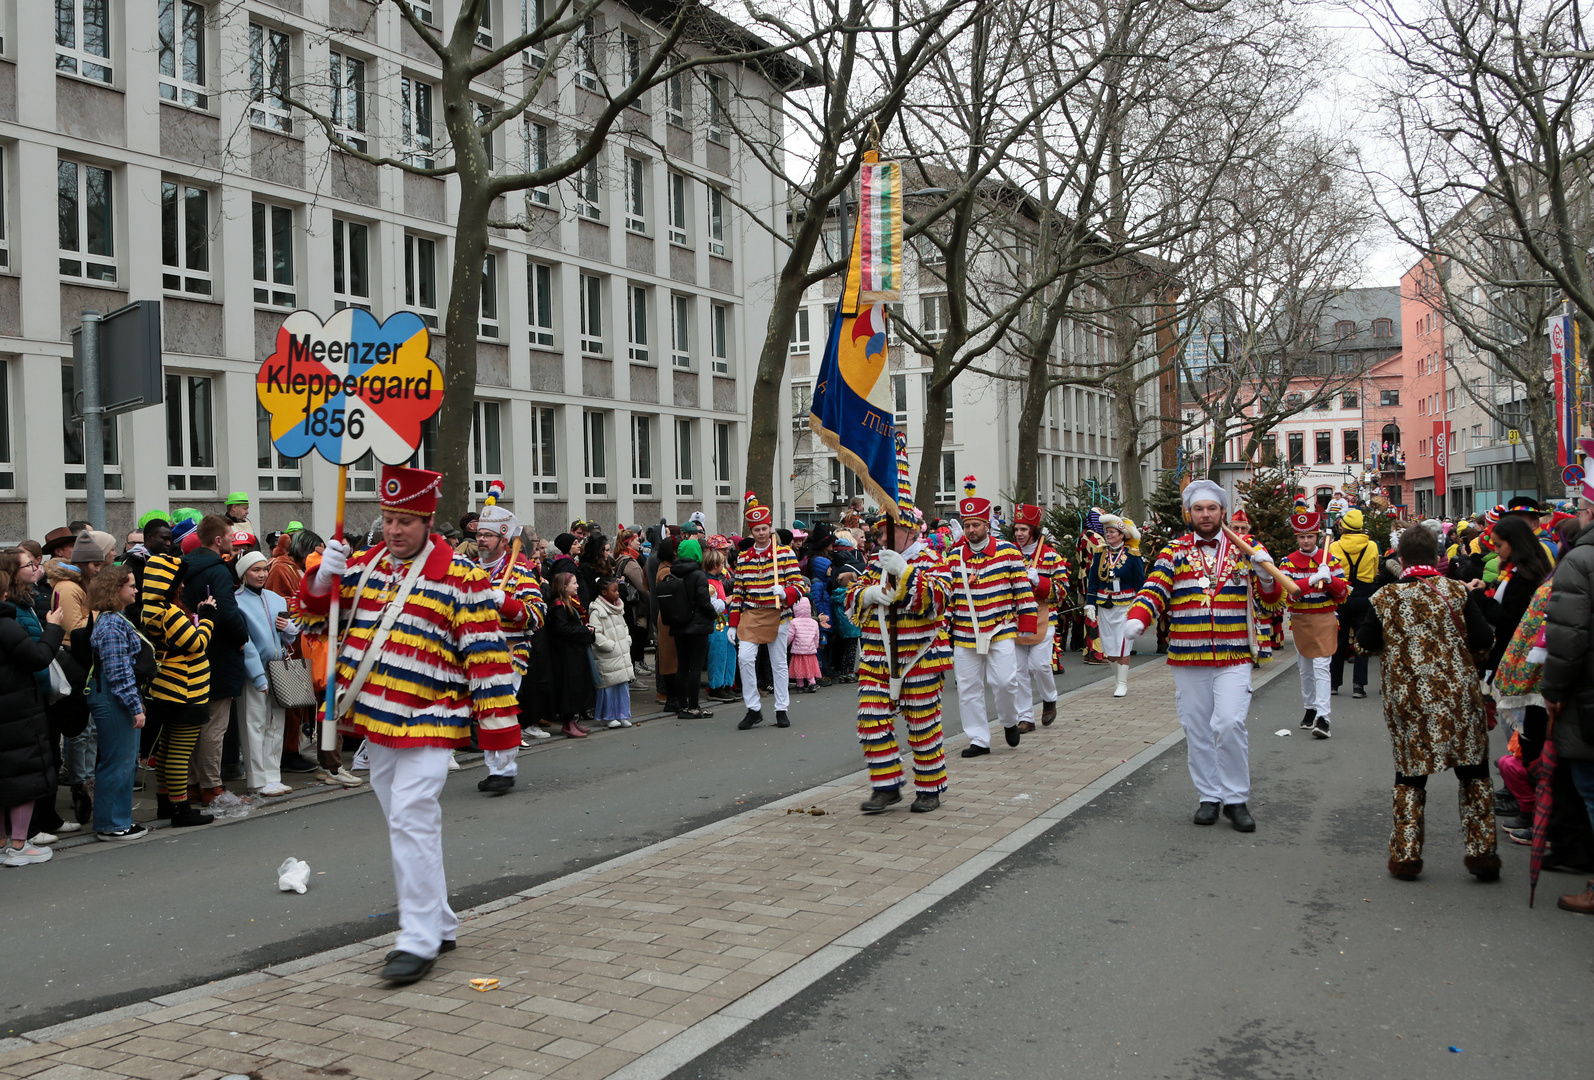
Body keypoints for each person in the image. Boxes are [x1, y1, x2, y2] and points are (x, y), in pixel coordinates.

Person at [293, 465, 520, 984]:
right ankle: (439, 920)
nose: (394, 529)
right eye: (389, 518)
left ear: (428, 520)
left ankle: (416, 938)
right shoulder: (368, 565)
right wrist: (325, 576)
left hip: (434, 716)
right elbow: (315, 612)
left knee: (411, 816)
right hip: (377, 718)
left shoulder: (460, 576)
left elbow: (486, 657)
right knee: (408, 821)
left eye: (406, 520)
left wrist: (500, 734)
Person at [1125, 480, 1284, 832]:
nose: (1206, 514)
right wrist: (1138, 617)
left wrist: (1264, 573)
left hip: (1234, 654)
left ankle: (1236, 798)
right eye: (1199, 509)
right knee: (1196, 728)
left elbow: (1272, 599)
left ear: (1223, 512)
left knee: (1229, 723)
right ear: (1189, 514)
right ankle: (1209, 796)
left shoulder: (1246, 549)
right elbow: (1154, 588)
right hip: (1188, 655)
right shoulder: (1174, 551)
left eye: (1212, 508)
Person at [1355, 525, 1499, 882]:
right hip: (1459, 698)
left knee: (1410, 777)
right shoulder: (1456, 592)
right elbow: (1484, 638)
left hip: (1409, 700)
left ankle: (1406, 856)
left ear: (1401, 559)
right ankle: (1482, 855)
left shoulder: (1385, 598)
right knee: (1473, 773)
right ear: (1437, 557)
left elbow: (1364, 644)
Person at [848, 504, 952, 814]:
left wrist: (905, 573)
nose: (880, 539)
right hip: (878, 658)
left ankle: (930, 789)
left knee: (923, 725)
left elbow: (940, 599)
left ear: (908, 532)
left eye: (885, 533)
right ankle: (886, 787)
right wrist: (866, 595)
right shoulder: (875, 563)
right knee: (870, 720)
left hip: (920, 656)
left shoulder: (932, 560)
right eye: (879, 533)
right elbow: (852, 594)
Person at [945, 477, 1037, 756]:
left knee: (1006, 682)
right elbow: (949, 597)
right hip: (965, 632)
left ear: (988, 525)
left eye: (977, 524)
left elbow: (1022, 589)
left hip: (1001, 629)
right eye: (968, 524)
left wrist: (1027, 622)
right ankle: (978, 740)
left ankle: (1009, 721)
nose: (972, 530)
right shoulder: (953, 557)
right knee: (969, 690)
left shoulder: (1008, 551)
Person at [1535, 487, 1594, 904]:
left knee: (1590, 788)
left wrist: (1552, 691)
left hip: (1587, 692)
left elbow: (1568, 637)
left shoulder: (1579, 562)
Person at [139, 554, 217, 828]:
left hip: (165, 687)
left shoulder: (148, 608)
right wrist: (207, 617)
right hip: (185, 689)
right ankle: (181, 809)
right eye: (178, 580)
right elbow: (196, 643)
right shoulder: (168, 611)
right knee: (179, 753)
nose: (182, 585)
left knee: (165, 750)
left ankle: (165, 803)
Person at [1, 562, 69, 865]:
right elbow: (38, 658)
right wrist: (53, 626)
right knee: (23, 778)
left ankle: (4, 842)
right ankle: (19, 845)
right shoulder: (6, 624)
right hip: (15, 711)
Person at [475, 498, 547, 780]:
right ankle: (495, 767)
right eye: (479, 534)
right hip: (474, 653)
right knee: (484, 712)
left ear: (503, 539)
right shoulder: (468, 571)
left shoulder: (519, 573)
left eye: (488, 535)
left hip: (509, 653)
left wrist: (506, 603)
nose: (481, 539)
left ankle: (502, 771)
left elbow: (538, 615)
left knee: (498, 710)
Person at [182, 516, 247, 806]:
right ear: (217, 540)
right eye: (231, 536)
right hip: (218, 654)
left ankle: (193, 784)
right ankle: (213, 787)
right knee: (214, 726)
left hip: (191, 653)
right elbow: (228, 612)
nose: (234, 541)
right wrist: (242, 636)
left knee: (194, 725)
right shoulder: (218, 571)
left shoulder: (185, 567)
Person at [728, 493, 804, 730]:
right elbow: (738, 591)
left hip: (777, 614)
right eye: (756, 530)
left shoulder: (784, 554)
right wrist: (732, 623)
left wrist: (786, 592)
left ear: (770, 527)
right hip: (751, 614)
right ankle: (754, 708)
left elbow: (799, 586)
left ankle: (781, 708)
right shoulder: (743, 557)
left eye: (764, 528)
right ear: (751, 532)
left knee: (778, 662)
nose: (761, 533)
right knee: (744, 658)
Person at [85, 565, 149, 841]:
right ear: (115, 590)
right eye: (130, 585)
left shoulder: (114, 619)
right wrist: (134, 706)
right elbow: (118, 671)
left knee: (125, 761)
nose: (135, 590)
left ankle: (120, 818)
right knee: (118, 762)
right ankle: (111, 823)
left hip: (116, 696)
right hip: (113, 698)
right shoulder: (112, 624)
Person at [234, 550, 299, 798]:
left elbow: (285, 638)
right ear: (243, 574)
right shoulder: (237, 601)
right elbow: (245, 642)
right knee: (254, 723)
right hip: (254, 672)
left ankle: (273, 776)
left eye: (264, 569)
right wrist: (257, 676)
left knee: (276, 722)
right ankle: (257, 779)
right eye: (255, 570)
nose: (261, 574)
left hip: (278, 668)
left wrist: (290, 629)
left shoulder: (277, 599)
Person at [1279, 511, 1347, 739]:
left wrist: (1330, 579)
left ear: (1318, 536)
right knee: (1305, 668)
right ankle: (1310, 708)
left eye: (1310, 536)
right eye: (1301, 537)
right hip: (1300, 619)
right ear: (1296, 538)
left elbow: (1343, 593)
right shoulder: (1287, 562)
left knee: (1321, 667)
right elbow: (1288, 592)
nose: (1306, 541)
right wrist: (1311, 581)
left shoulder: (1331, 561)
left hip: (1324, 618)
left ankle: (1324, 717)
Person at [1011, 503, 1067, 722]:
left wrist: (1040, 582)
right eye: (1016, 529)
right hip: (1015, 617)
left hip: (1044, 615)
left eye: (1023, 529)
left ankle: (1049, 699)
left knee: (1041, 665)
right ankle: (1025, 717)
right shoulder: (1008, 554)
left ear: (1032, 530)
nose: (1019, 534)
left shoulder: (1050, 556)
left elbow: (1062, 591)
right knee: (1018, 670)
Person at [1083, 512, 1145, 700]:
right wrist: (1090, 605)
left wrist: (1141, 606)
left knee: (1123, 643)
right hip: (1105, 604)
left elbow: (1140, 583)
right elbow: (1093, 580)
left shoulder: (1133, 555)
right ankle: (1118, 679)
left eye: (1111, 532)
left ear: (1121, 535)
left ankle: (1123, 683)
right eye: (1106, 531)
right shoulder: (1100, 553)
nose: (1108, 535)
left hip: (1126, 604)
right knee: (1109, 648)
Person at [1328, 508, 1379, 699]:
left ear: (1343, 528)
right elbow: (1374, 571)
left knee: (1339, 640)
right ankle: (1359, 686)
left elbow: (1332, 572)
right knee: (1361, 640)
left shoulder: (1335, 546)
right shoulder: (1372, 545)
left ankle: (1334, 683)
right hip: (1365, 594)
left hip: (1342, 593)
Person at [668, 538, 717, 718]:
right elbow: (704, 601)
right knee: (695, 667)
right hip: (698, 626)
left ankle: (682, 705)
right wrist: (714, 615)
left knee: (682, 665)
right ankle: (694, 706)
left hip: (678, 624)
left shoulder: (673, 573)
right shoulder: (698, 575)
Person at [545, 571, 597, 738]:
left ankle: (572, 721)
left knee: (576, 687)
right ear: (564, 587)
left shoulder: (570, 604)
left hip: (573, 653)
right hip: (565, 655)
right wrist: (584, 630)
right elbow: (562, 629)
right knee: (568, 688)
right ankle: (568, 723)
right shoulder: (559, 607)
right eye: (574, 583)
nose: (577, 586)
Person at [589, 578, 635, 729]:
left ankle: (623, 714)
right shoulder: (597, 611)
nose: (617, 593)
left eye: (617, 590)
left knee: (622, 685)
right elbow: (595, 633)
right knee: (608, 686)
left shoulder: (618, 609)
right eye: (614, 591)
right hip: (608, 655)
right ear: (604, 592)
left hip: (620, 652)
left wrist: (626, 640)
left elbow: (624, 626)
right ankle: (608, 716)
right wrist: (610, 645)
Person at [788, 597, 822, 692]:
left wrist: (786, 644)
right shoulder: (814, 622)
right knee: (810, 667)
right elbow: (816, 637)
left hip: (798, 651)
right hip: (810, 650)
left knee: (799, 668)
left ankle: (800, 685)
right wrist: (815, 646)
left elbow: (790, 636)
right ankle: (812, 683)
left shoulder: (793, 622)